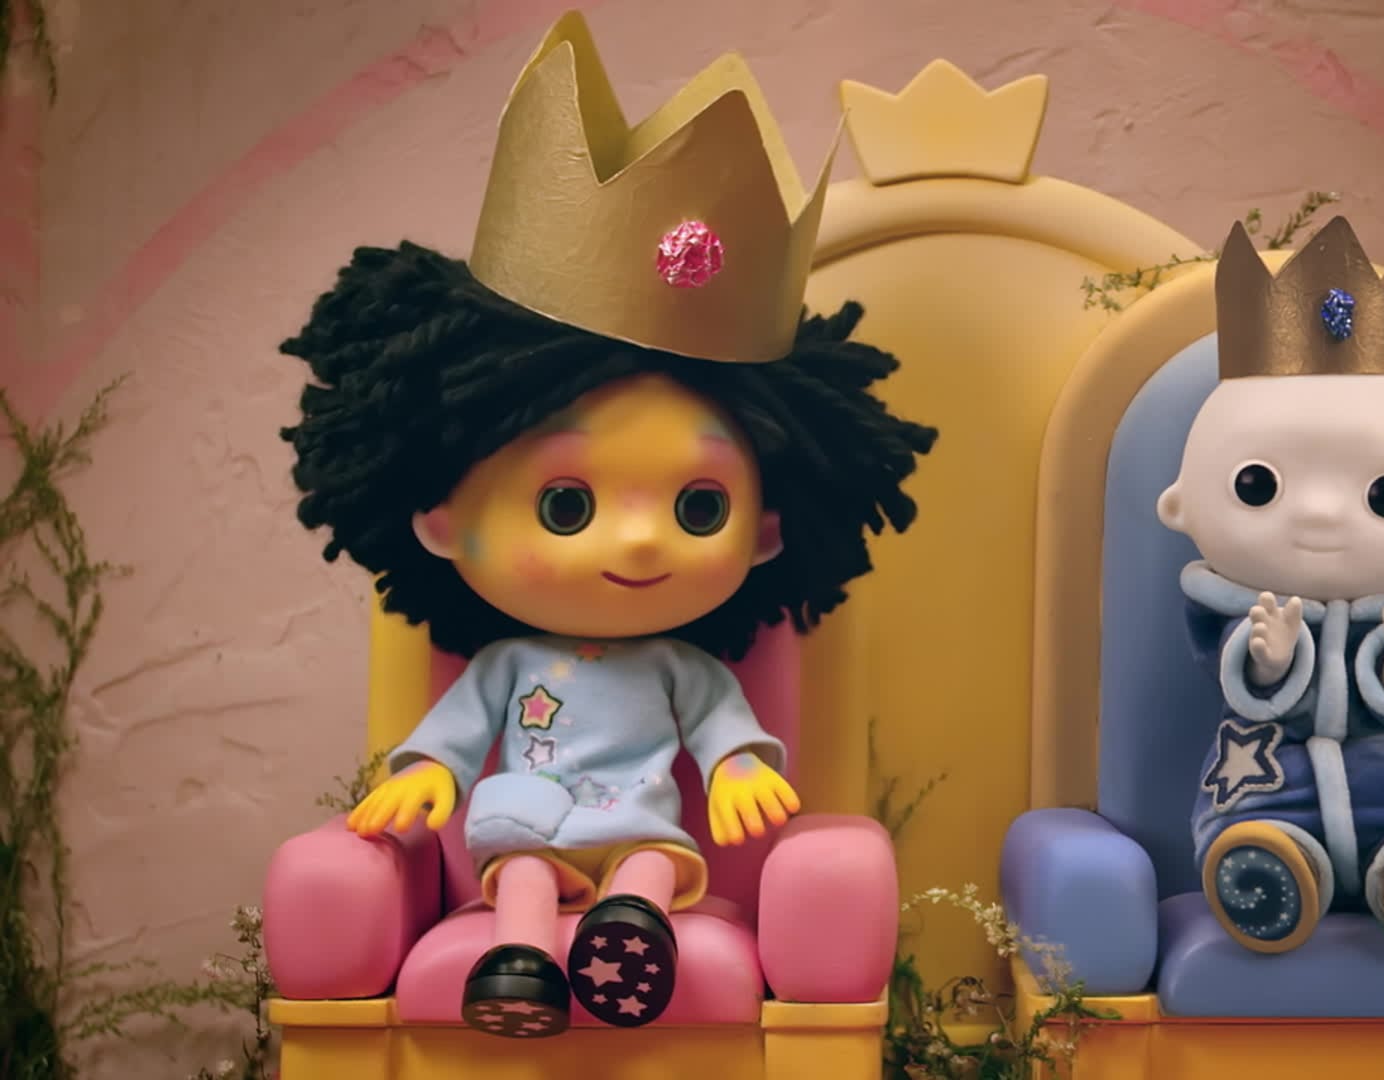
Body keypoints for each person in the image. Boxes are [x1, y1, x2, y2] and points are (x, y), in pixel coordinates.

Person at [278, 13, 935, 1037]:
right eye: (567, 505)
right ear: (442, 524)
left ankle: (631, 936)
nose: (637, 542)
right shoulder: (502, 663)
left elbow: (721, 729)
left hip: (640, 831)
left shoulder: (681, 665)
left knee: (648, 868)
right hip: (525, 830)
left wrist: (740, 767)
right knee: (521, 877)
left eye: (699, 507)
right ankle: (519, 964)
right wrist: (424, 774)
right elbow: (456, 736)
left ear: (766, 533)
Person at [1157, 216, 1384, 958]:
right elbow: (1239, 685)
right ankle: (1274, 872)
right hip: (1268, 776)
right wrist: (1270, 660)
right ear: (1180, 505)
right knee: (1261, 832)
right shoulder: (1231, 608)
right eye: (1259, 486)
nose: (1318, 514)